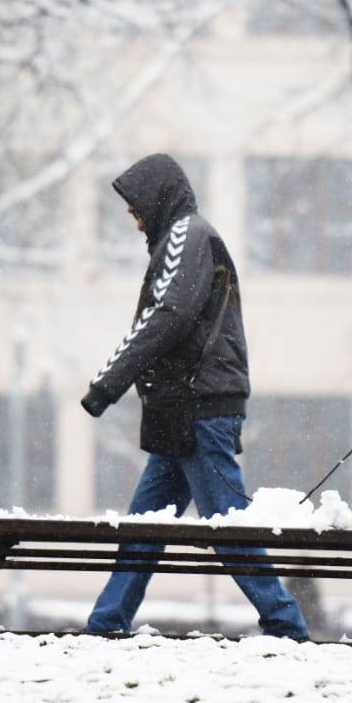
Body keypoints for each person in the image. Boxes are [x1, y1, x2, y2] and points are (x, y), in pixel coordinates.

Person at [79, 153, 309, 640]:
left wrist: (107, 384)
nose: (134, 219)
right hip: (180, 410)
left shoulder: (187, 234)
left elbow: (168, 313)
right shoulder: (182, 238)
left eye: (136, 208)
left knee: (228, 527)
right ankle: (105, 625)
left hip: (198, 408)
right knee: (143, 530)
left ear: (156, 197)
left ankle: (286, 626)